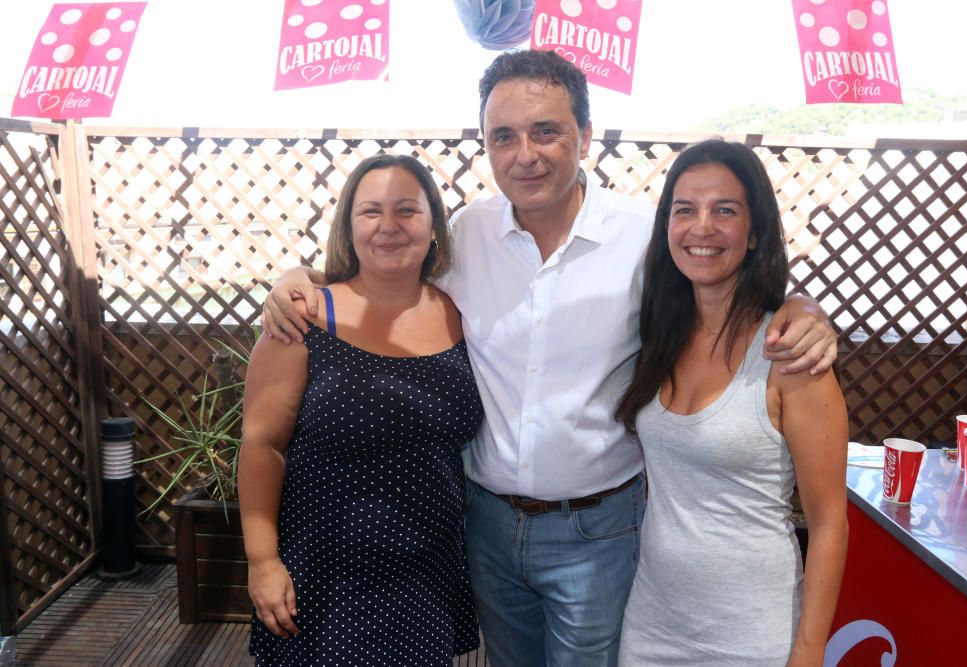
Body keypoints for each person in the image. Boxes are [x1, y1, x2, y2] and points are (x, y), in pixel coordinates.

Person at [260, 51, 839, 667]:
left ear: (585, 137)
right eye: (503, 136)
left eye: (546, 131)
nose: (524, 154)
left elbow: (729, 284)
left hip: (600, 530)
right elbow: (384, 274)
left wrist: (804, 308)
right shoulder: (467, 233)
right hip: (486, 525)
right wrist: (299, 278)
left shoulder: (645, 238)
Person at [238, 154, 483, 666]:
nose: (389, 227)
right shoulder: (304, 319)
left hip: (426, 574)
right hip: (325, 574)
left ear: (434, 225)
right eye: (371, 212)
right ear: (348, 228)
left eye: (407, 211)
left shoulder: (462, 312)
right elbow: (263, 445)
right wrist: (262, 561)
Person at [615, 139, 849, 666]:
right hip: (652, 621)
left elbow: (830, 521)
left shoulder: (790, 353)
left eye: (725, 210)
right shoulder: (659, 333)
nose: (702, 227)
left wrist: (809, 653)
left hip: (753, 633)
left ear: (754, 232)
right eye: (685, 210)